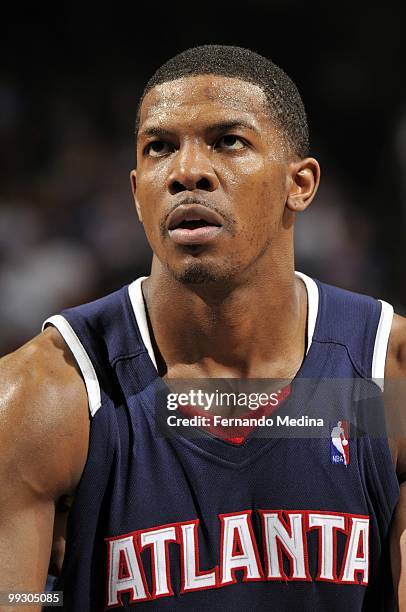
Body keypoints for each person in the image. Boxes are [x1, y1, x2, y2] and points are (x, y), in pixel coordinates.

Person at [0, 44, 405, 611]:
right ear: (137, 193)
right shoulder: (42, 399)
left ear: (301, 184)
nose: (187, 171)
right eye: (161, 148)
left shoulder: (387, 379)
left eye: (228, 141)